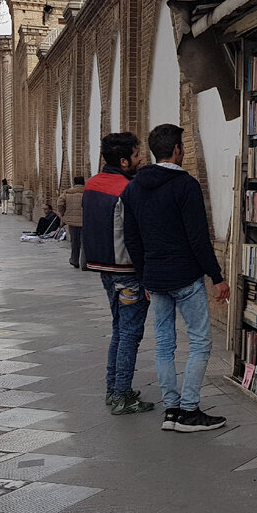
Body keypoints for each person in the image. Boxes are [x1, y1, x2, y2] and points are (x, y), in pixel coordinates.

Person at [122, 123, 230, 433]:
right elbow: (198, 238)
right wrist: (216, 276)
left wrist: (143, 277)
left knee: (164, 345)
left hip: (155, 279)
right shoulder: (186, 185)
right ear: (178, 150)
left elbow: (132, 239)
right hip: (185, 276)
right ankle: (190, 409)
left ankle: (171, 409)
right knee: (199, 342)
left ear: (155, 151)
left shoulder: (133, 188)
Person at [83, 132, 154, 416]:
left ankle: (114, 388)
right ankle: (122, 394)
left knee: (118, 329)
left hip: (104, 268)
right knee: (130, 333)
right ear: (124, 161)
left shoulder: (92, 184)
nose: (140, 160)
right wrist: (147, 274)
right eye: (137, 155)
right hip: (127, 270)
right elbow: (135, 236)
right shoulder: (127, 189)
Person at [56, 176, 86, 268]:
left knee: (74, 242)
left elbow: (60, 204)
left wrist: (64, 214)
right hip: (85, 221)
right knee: (85, 242)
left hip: (72, 222)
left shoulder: (67, 193)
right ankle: (85, 264)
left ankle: (74, 260)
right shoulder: (87, 192)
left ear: (74, 183)